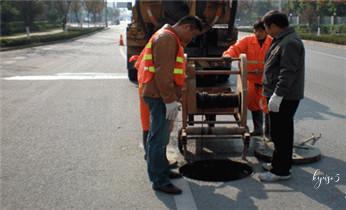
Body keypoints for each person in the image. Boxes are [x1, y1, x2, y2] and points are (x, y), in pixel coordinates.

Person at [136, 16, 203, 194]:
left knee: (160, 137)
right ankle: (159, 180)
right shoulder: (166, 38)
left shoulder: (169, 37)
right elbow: (163, 73)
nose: (190, 40)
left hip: (160, 95)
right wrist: (169, 100)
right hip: (159, 96)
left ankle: (162, 170)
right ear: (187, 27)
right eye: (192, 35)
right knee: (158, 139)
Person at [258, 10, 305, 182]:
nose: (266, 31)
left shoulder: (290, 42)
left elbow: (288, 72)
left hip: (285, 97)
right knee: (278, 133)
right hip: (278, 94)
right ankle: (278, 164)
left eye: (266, 27)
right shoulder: (282, 40)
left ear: (274, 26)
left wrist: (278, 95)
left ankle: (281, 171)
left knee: (282, 134)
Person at [223, 20, 272, 139]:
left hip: (267, 81)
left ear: (266, 31)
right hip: (251, 80)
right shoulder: (248, 41)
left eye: (260, 31)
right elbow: (235, 49)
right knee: (254, 106)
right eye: (256, 31)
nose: (258, 34)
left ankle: (269, 133)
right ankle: (258, 129)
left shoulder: (272, 42)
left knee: (268, 108)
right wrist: (228, 56)